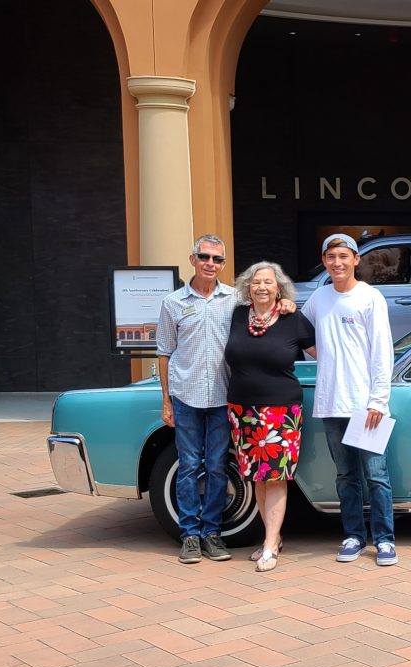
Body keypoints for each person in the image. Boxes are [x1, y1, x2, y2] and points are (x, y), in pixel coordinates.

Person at [156, 234, 295, 565]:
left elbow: (266, 307)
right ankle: (189, 535)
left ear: (223, 263)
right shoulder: (172, 303)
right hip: (186, 396)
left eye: (217, 259)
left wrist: (286, 304)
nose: (210, 264)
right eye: (204, 257)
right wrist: (166, 401)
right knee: (189, 466)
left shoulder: (235, 300)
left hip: (223, 397)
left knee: (218, 466)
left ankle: (211, 532)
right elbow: (164, 352)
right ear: (193, 259)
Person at [301, 233, 397, 566]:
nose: (337, 263)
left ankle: (384, 540)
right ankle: (353, 536)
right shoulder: (319, 297)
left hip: (365, 404)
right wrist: (325, 355)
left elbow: (383, 351)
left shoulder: (370, 297)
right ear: (324, 261)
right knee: (345, 476)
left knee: (376, 476)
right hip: (331, 402)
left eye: (344, 256)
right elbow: (300, 331)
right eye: (331, 257)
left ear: (356, 259)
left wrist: (378, 401)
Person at [224, 261, 315, 572]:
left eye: (268, 282)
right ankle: (271, 539)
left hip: (280, 411)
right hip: (242, 410)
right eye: (256, 282)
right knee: (257, 478)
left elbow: (326, 353)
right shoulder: (238, 315)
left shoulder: (293, 318)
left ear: (279, 288)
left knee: (274, 477)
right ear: (248, 287)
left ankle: (270, 544)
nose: (261, 287)